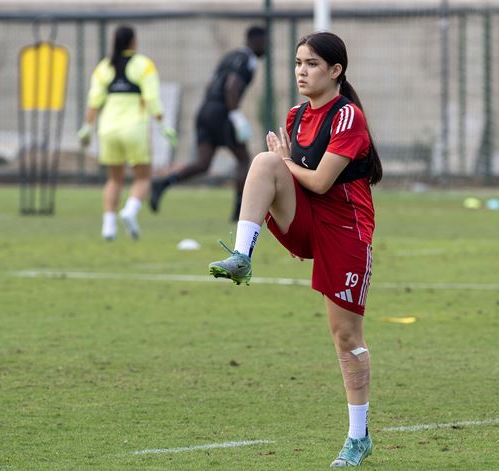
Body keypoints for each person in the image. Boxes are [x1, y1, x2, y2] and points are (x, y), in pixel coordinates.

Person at [208, 32, 382, 468]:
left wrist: (288, 164)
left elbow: (322, 181)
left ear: (336, 71)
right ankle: (243, 256)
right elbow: (296, 177)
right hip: (306, 223)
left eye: (312, 64)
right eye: (298, 63)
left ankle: (358, 437)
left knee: (346, 338)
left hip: (346, 231)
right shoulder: (294, 115)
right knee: (264, 161)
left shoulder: (348, 117)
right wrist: (283, 164)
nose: (301, 71)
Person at [149, 26, 268, 221]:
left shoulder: (229, 56)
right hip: (223, 112)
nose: (266, 47)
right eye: (265, 42)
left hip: (205, 110)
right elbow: (232, 86)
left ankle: (163, 183)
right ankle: (239, 213)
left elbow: (211, 83)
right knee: (244, 160)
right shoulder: (248, 60)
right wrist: (236, 116)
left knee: (203, 163)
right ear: (255, 41)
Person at [77, 25, 177, 241]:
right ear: (133, 42)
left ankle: (108, 227)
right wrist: (162, 124)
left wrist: (87, 126)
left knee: (114, 179)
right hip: (134, 129)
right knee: (143, 177)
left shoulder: (104, 67)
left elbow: (94, 100)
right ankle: (130, 211)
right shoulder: (144, 65)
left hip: (108, 129)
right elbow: (151, 98)